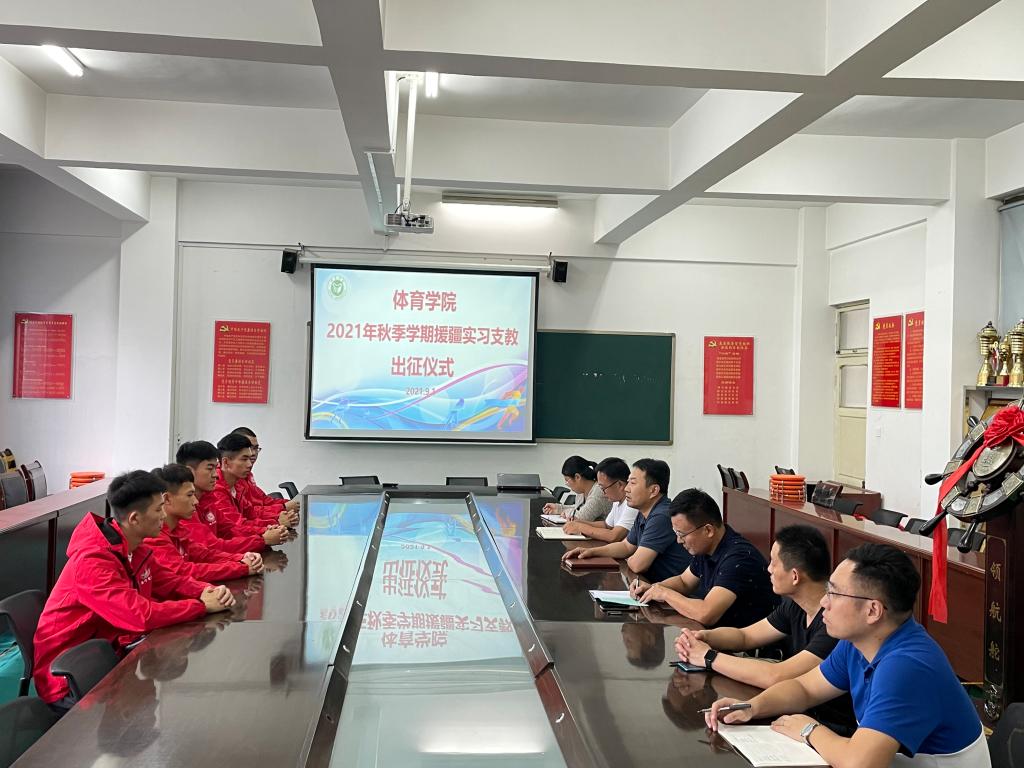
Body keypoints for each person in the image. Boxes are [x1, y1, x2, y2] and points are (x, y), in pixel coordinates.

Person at [705, 543, 990, 768]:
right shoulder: (859, 642)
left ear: (873, 610)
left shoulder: (907, 667)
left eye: (835, 594)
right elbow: (805, 688)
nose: (824, 602)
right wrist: (752, 706)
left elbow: (859, 763)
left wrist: (809, 730)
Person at [32, 470, 235, 712]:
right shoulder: (92, 561)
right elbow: (140, 615)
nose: (164, 515)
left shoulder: (133, 546)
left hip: (110, 654)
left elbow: (169, 580)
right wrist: (200, 606)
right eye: (158, 509)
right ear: (135, 518)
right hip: (69, 679)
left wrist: (207, 591)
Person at [675, 525, 855, 732]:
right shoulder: (796, 605)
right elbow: (746, 636)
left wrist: (708, 657)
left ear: (795, 576)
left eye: (774, 563)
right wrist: (703, 637)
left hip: (832, 726)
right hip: (799, 714)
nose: (768, 569)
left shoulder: (835, 624)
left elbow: (778, 676)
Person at [633, 488, 777, 627]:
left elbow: (706, 614)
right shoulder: (708, 547)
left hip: (747, 641)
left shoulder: (739, 558)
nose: (679, 541)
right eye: (676, 533)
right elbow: (684, 582)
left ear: (708, 530)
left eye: (682, 534)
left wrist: (665, 593)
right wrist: (652, 589)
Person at [561, 459, 690, 582]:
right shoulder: (645, 511)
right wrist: (590, 552)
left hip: (671, 591)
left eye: (632, 483)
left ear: (654, 490)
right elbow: (626, 546)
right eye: (628, 482)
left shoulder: (661, 516)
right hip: (651, 585)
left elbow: (637, 565)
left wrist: (630, 557)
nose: (626, 488)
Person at [148, 463, 263, 582]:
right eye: (189, 495)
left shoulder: (177, 528)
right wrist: (241, 567)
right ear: (167, 499)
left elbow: (203, 554)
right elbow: (184, 571)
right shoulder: (154, 537)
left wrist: (241, 558)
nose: (195, 501)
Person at [175, 440, 286, 553]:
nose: (215, 475)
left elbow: (231, 529)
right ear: (189, 472)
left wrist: (266, 530)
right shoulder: (183, 507)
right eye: (209, 468)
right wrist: (262, 539)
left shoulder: (207, 498)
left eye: (215, 468)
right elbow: (210, 547)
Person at [231, 426, 299, 527]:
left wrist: (286, 505)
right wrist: (281, 510)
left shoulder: (247, 474)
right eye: (249, 448)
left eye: (256, 448)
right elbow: (241, 521)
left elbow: (262, 500)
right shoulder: (228, 481)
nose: (253, 453)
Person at [562, 457, 638, 542]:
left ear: (619, 485)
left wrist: (581, 527)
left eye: (603, 488)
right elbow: (606, 525)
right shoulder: (617, 501)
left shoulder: (632, 504)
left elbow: (614, 536)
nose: (602, 492)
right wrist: (579, 522)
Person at [543, 455, 612, 522]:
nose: (566, 483)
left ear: (577, 477)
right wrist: (558, 508)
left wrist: (567, 512)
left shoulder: (599, 491)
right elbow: (579, 509)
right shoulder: (581, 492)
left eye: (567, 480)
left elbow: (581, 518)